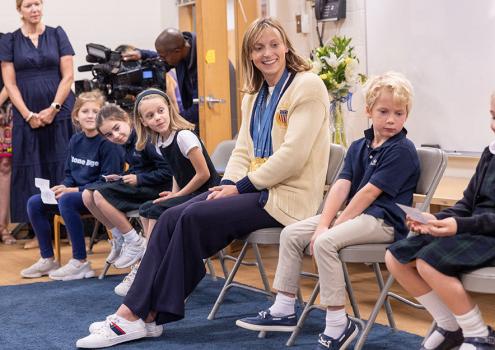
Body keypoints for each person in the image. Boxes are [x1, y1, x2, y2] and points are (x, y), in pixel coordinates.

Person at [76, 17, 331, 348]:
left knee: (192, 217)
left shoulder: (308, 86)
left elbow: (294, 156)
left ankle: (137, 315)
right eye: (258, 47)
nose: (267, 53)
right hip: (256, 188)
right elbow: (242, 151)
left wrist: (238, 188)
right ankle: (143, 316)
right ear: (249, 55)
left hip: (287, 197)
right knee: (169, 217)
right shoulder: (255, 95)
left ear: (286, 46)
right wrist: (226, 185)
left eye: (273, 44)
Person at [236, 71, 421, 349]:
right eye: (383, 111)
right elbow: (341, 186)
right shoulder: (359, 146)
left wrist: (331, 227)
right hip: (355, 216)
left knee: (324, 242)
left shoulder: (402, 150)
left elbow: (368, 193)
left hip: (383, 221)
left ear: (407, 115)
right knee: (292, 234)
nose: (391, 119)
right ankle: (284, 307)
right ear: (369, 111)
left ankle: (338, 323)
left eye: (399, 113)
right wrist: (324, 222)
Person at [385, 72, 495, 350]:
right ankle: (450, 326)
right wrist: (435, 220)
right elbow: (467, 205)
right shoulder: (493, 153)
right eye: (493, 116)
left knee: (430, 261)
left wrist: (459, 227)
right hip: (485, 233)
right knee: (397, 255)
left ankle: (479, 335)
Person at [110, 88, 218, 297]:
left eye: (160, 111)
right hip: (188, 193)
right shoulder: (160, 141)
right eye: (150, 116)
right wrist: (173, 193)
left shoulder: (184, 136)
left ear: (169, 109)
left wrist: (178, 196)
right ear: (143, 121)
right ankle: (151, 261)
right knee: (146, 208)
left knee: (158, 211)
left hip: (207, 192)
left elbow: (203, 174)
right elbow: (177, 172)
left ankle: (147, 267)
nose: (157, 118)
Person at [20, 91, 124, 280]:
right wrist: (61, 187)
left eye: (96, 111)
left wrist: (73, 191)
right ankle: (48, 259)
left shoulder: (108, 143)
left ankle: (80, 262)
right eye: (85, 111)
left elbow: (109, 182)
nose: (91, 115)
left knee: (67, 200)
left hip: (99, 196)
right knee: (35, 202)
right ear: (76, 116)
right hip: (74, 194)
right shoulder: (75, 140)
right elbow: (70, 175)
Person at [0, 0, 75, 230]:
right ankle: (38, 229)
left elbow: (68, 75)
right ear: (19, 10)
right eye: (28, 5)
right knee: (34, 167)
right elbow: (9, 83)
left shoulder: (57, 34)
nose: (34, 9)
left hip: (59, 110)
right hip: (26, 115)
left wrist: (54, 108)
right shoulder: (10, 40)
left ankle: (66, 226)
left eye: (37, 3)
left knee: (61, 163)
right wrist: (28, 114)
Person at [82, 104, 172, 282]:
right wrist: (122, 176)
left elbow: (168, 172)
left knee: (99, 195)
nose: (115, 136)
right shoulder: (126, 144)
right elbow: (139, 167)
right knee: (87, 195)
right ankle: (119, 238)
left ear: (126, 119)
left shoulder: (144, 140)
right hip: (145, 186)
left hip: (161, 190)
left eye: (116, 128)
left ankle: (134, 241)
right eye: (109, 135)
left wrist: (139, 179)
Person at [123, 28, 199, 125]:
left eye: (163, 57)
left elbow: (199, 108)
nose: (161, 60)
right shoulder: (181, 49)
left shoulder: (202, 63)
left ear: (177, 51)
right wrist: (141, 54)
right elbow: (159, 60)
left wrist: (172, 121)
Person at [0, 32, 15, 244]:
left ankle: (2, 228)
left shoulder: (5, 40)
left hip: (4, 110)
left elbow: (11, 78)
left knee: (4, 167)